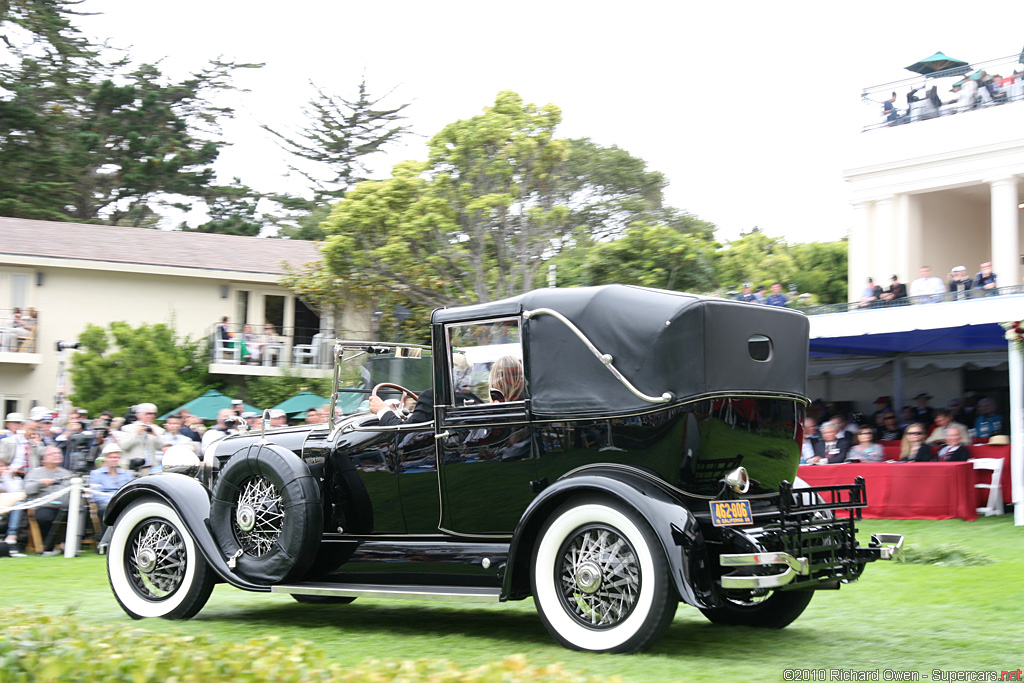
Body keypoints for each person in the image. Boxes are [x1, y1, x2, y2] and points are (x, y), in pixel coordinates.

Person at [23, 446, 78, 553]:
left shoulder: (67, 474)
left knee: (80, 515)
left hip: (64, 506)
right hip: (44, 506)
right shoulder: (35, 472)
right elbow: (28, 490)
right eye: (52, 454)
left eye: (58, 453)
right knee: (44, 517)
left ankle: (69, 545)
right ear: (43, 459)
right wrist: (40, 483)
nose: (56, 455)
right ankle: (49, 547)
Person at [87, 442, 133, 518]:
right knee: (104, 508)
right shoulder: (96, 474)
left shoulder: (127, 474)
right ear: (105, 458)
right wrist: (114, 502)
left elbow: (131, 491)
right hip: (107, 505)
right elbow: (97, 495)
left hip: (124, 503)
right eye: (111, 457)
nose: (114, 460)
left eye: (116, 457)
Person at [119, 403, 165, 472]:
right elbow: (124, 446)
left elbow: (162, 447)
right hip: (132, 468)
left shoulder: (159, 430)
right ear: (138, 414)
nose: (151, 416)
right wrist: (137, 434)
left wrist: (155, 434)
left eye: (153, 414)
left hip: (150, 468)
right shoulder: (127, 428)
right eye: (148, 413)